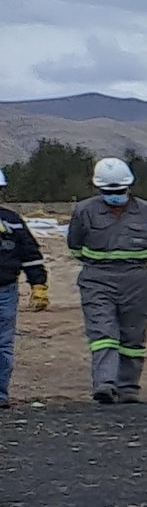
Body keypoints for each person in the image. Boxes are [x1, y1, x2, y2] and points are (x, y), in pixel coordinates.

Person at [68, 157, 147, 404]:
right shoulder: (85, 211)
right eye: (109, 191)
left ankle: (128, 387)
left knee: (133, 335)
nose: (115, 195)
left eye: (119, 191)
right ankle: (105, 384)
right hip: (97, 278)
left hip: (136, 279)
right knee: (103, 332)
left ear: (129, 187)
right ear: (99, 189)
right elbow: (74, 245)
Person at [0, 168, 45, 408]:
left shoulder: (12, 222)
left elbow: (30, 254)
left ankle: (0, 395)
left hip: (4, 290)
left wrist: (38, 283)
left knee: (2, 345)